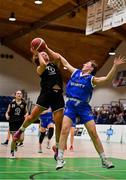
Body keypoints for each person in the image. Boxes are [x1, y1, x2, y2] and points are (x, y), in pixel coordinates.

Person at [55, 54, 126, 170]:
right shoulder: (76, 72)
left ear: (91, 68)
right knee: (64, 130)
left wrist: (114, 66)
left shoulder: (91, 79)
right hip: (71, 105)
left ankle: (104, 159)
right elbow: (66, 63)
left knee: (93, 133)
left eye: (87, 63)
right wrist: (58, 55)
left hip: (83, 107)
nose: (84, 64)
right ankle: (60, 158)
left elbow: (107, 78)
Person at [12, 43, 64, 160]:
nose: (45, 54)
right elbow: (43, 64)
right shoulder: (39, 68)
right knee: (32, 117)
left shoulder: (54, 64)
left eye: (45, 54)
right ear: (38, 58)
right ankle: (20, 131)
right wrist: (38, 53)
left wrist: (46, 47)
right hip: (46, 94)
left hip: (58, 95)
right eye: (43, 54)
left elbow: (58, 58)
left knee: (59, 122)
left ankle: (56, 145)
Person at [5, 90, 28, 158]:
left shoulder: (24, 104)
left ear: (22, 95)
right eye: (18, 93)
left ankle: (15, 144)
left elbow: (27, 112)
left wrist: (26, 115)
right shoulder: (11, 103)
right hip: (13, 123)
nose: (19, 94)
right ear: (15, 95)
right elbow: (7, 112)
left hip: (21, 123)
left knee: (21, 139)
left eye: (20, 94)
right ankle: (12, 153)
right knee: (14, 139)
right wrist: (7, 115)